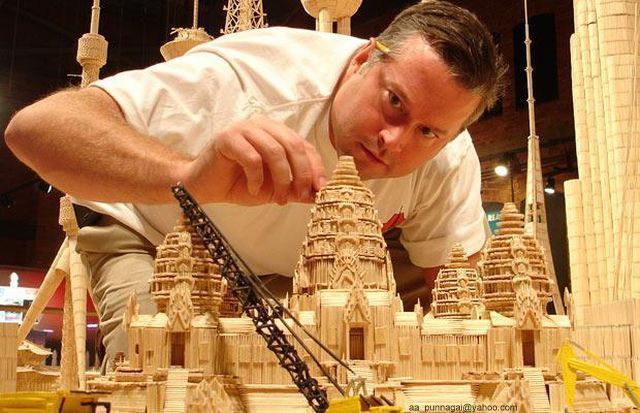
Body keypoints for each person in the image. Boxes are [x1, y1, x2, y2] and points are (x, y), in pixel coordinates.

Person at [4, 0, 506, 360]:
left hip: (289, 270)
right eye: (393, 101)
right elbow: (35, 129)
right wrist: (186, 176)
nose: (394, 142)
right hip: (152, 232)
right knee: (167, 366)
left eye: (428, 132)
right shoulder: (248, 81)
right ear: (361, 60)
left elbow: (461, 302)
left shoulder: (447, 159)